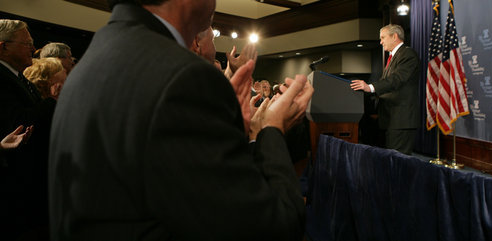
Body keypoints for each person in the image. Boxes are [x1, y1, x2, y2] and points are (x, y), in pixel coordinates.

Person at [48, 1, 313, 241]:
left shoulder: (97, 56)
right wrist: (270, 130)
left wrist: (228, 128)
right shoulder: (182, 76)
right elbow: (272, 229)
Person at [0, 19, 57, 239]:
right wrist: (54, 100)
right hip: (15, 188)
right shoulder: (2, 79)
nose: (33, 49)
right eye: (26, 43)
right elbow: (20, 123)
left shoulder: (18, 77)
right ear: (3, 46)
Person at [350, 24, 420, 155]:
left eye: (383, 38)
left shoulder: (408, 54)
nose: (380, 42)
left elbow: (396, 80)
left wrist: (370, 87)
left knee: (398, 162)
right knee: (390, 161)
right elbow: (386, 83)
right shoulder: (393, 57)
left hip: (401, 120)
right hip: (390, 119)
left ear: (394, 36)